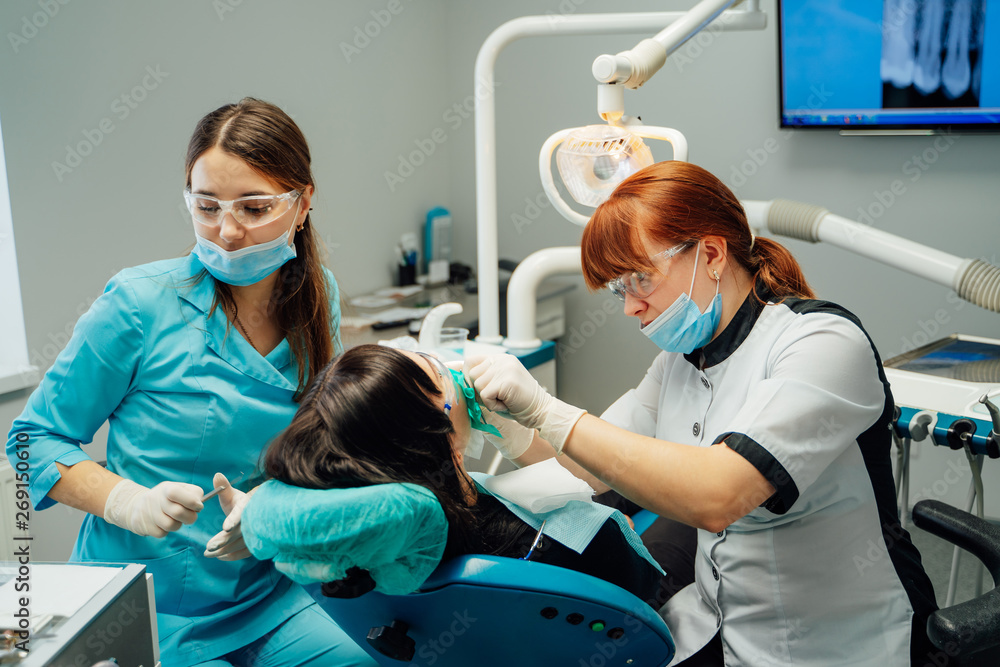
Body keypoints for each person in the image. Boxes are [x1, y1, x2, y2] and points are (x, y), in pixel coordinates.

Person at [465, 161, 941, 666]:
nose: (630, 308)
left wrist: (547, 407)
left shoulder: (821, 343)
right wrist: (514, 427)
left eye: (638, 280)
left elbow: (718, 494)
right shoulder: (677, 363)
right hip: (721, 627)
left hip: (838, 643)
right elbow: (591, 470)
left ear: (711, 253)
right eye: (617, 290)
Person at [6, 98, 375, 666]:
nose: (227, 232)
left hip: (265, 590)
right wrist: (124, 501)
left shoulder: (314, 298)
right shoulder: (138, 304)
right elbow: (29, 442)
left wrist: (270, 511)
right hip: (148, 603)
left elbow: (318, 445)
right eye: (207, 207)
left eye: (255, 208)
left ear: (302, 205)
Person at [240, 343, 663, 604]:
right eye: (434, 367)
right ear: (437, 433)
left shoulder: (388, 549)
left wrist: (518, 437)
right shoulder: (425, 516)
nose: (453, 367)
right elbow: (632, 567)